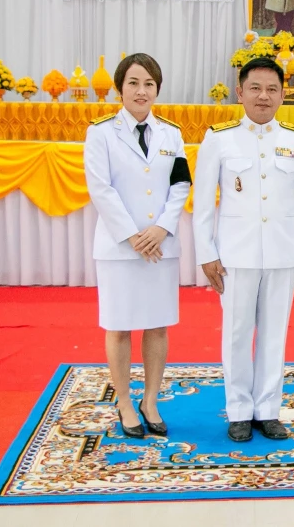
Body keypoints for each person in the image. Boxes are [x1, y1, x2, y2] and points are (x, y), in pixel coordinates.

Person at [193, 57, 294, 443]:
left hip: (283, 253)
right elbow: (203, 202)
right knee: (237, 333)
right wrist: (206, 252)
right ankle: (238, 411)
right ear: (240, 92)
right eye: (255, 88)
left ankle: (267, 410)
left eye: (271, 89)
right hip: (236, 254)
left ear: (283, 95)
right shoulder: (219, 138)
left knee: (274, 334)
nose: (263, 96)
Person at [83, 53, 191, 438]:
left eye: (149, 84)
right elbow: (101, 189)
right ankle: (126, 402)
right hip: (119, 249)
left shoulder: (171, 134)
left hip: (160, 248)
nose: (141, 91)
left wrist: (161, 228)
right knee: (119, 326)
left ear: (157, 89)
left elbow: (181, 184)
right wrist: (133, 235)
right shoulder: (100, 133)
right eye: (133, 83)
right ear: (120, 88)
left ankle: (150, 400)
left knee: (157, 325)